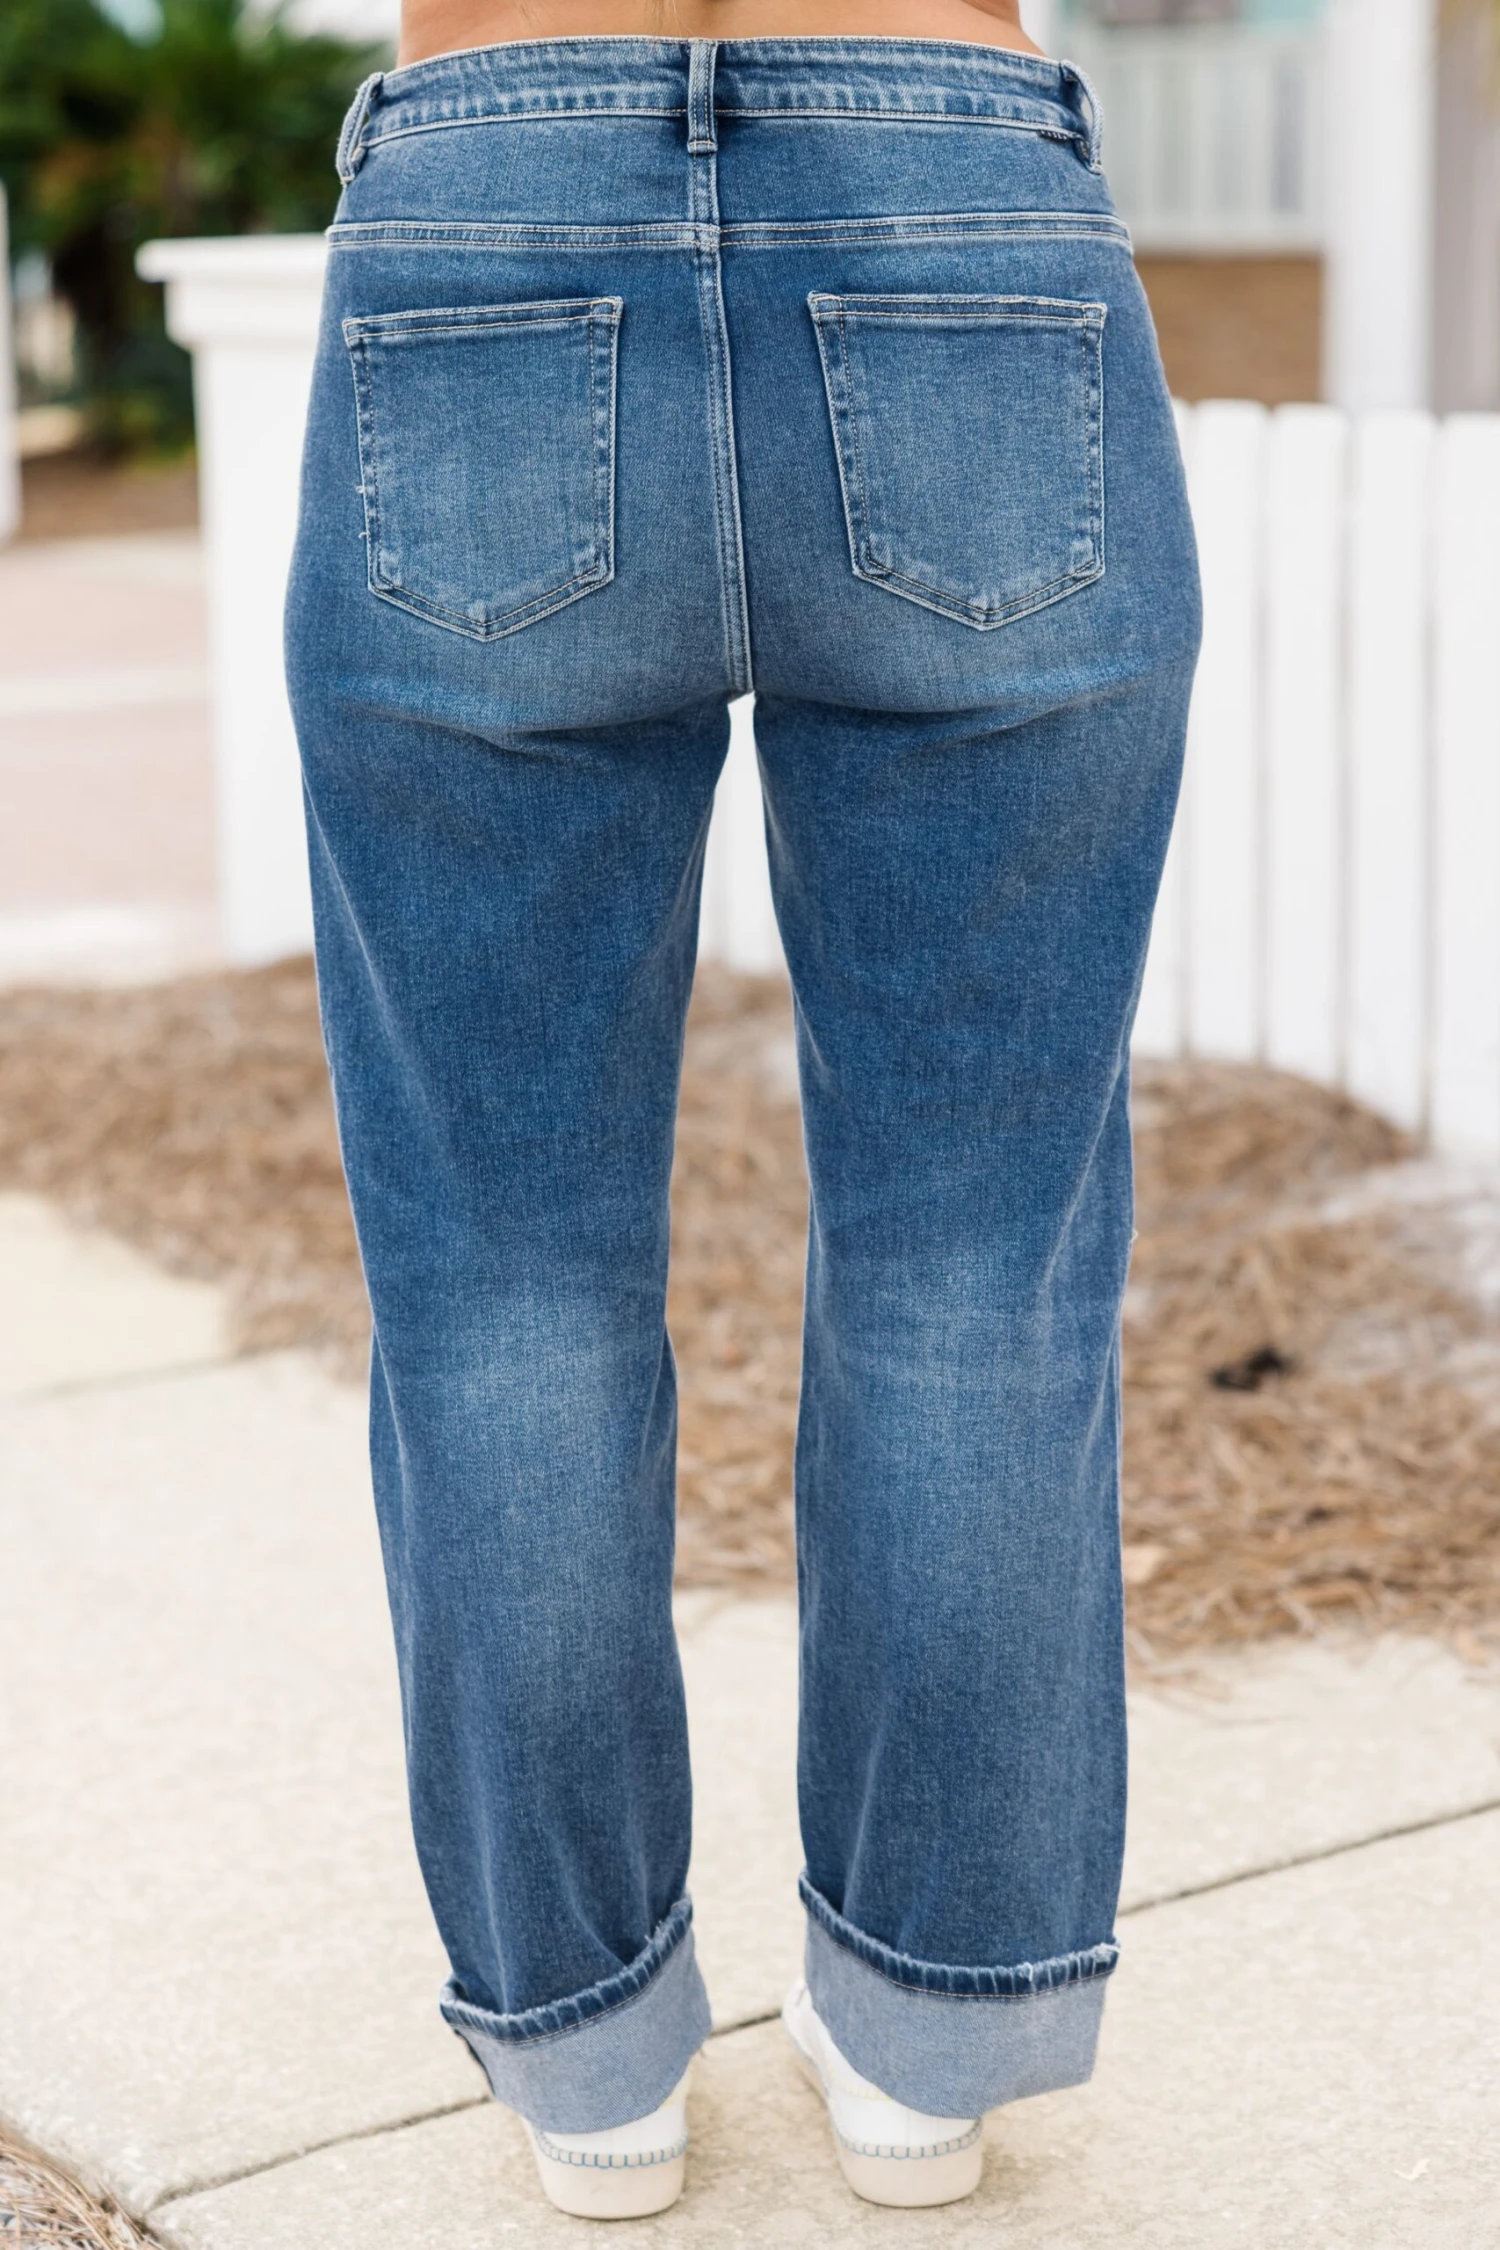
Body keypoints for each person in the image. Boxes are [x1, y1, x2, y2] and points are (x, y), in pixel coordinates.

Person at [285, 0, 1199, 2215]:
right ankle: (927, 2050)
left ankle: (587, 2066)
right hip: (953, 188)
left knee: (501, 1282)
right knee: (972, 1270)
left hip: (491, 194)